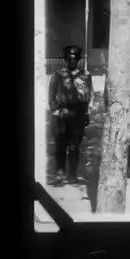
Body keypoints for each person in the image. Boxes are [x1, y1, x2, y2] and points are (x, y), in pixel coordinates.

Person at [49, 45, 94, 184]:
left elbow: (90, 95)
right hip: (62, 114)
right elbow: (51, 94)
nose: (71, 61)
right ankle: (60, 174)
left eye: (74, 59)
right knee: (60, 145)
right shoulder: (58, 75)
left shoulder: (85, 76)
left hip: (77, 114)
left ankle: (72, 174)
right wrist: (54, 110)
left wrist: (87, 112)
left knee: (74, 146)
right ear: (65, 60)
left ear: (78, 60)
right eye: (68, 59)